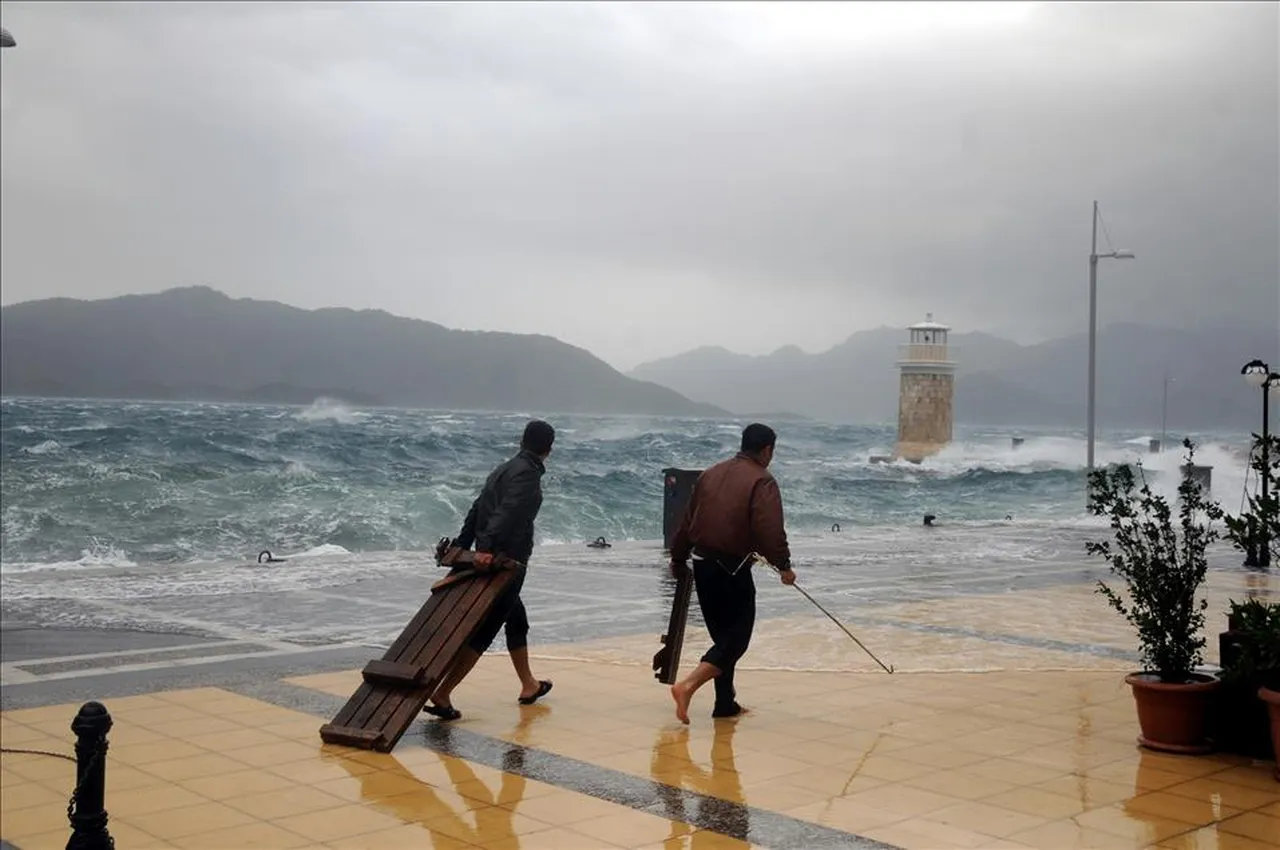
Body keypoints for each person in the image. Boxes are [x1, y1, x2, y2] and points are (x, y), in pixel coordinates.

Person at [424, 419, 556, 720]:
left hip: (493, 559)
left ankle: (528, 685)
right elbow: (507, 511)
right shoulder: (527, 476)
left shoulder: (504, 468)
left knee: (517, 620)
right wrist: (484, 549)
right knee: (484, 632)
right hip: (505, 564)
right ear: (549, 448)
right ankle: (442, 693)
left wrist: (463, 543)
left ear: (523, 441)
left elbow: (478, 507)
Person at [668, 423, 796, 724]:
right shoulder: (762, 480)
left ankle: (725, 703)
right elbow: (769, 528)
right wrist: (784, 565)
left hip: (702, 564)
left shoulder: (710, 473)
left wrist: (677, 557)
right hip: (732, 568)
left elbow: (687, 521)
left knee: (723, 639)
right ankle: (687, 686)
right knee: (736, 640)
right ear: (767, 450)